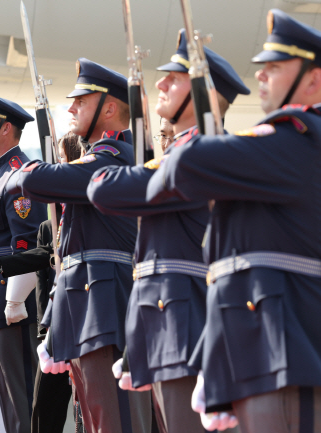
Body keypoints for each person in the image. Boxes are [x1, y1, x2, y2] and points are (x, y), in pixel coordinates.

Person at [145, 10, 321, 432]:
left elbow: (185, 164)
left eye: (276, 67)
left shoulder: (295, 140)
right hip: (259, 347)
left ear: (314, 81)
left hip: (284, 349)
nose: (262, 75)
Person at [87, 29, 249, 433]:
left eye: (174, 78)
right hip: (163, 323)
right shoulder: (186, 150)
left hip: (189, 325)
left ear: (202, 93)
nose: (160, 83)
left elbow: (104, 188)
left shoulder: (202, 155)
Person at [8, 59, 152, 433]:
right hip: (87, 308)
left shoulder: (116, 156)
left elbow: (34, 181)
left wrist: (24, 173)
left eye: (81, 101)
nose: (70, 107)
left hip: (106, 309)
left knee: (116, 421)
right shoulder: (103, 156)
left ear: (108, 108)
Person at [0, 132, 81, 433]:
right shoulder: (50, 224)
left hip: (88, 322)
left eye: (64, 162)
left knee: (88, 410)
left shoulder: (94, 218)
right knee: (43, 411)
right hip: (54, 328)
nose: (59, 169)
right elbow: (40, 264)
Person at [0, 92, 48, 433]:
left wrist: (15, 299)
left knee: (23, 403)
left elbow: (29, 244)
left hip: (10, 302)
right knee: (10, 402)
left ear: (5, 129)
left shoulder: (17, 175)